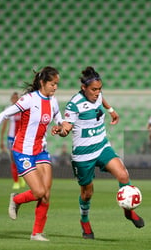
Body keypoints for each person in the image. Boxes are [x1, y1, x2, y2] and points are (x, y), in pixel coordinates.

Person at [56, 66, 145, 239]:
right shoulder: (74, 104)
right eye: (94, 89)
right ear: (84, 88)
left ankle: (128, 212)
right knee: (87, 193)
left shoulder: (98, 96)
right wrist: (60, 130)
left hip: (102, 145)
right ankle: (84, 220)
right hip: (83, 154)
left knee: (123, 175)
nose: (97, 93)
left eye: (99, 89)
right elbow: (66, 127)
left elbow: (102, 100)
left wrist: (111, 111)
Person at [0, 66, 66, 241]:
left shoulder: (53, 101)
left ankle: (37, 233)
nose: (55, 87)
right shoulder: (28, 99)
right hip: (23, 151)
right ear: (43, 83)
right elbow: (4, 114)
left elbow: (60, 121)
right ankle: (17, 199)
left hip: (41, 150)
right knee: (38, 192)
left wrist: (60, 128)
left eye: (57, 84)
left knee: (47, 193)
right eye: (52, 84)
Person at [0, 92, 26, 190]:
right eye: (13, 98)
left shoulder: (23, 108)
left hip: (21, 137)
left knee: (22, 158)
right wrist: (1, 140)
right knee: (13, 159)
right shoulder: (9, 109)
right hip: (11, 137)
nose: (15, 99)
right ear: (11, 99)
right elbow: (4, 125)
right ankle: (16, 181)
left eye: (16, 98)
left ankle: (21, 176)